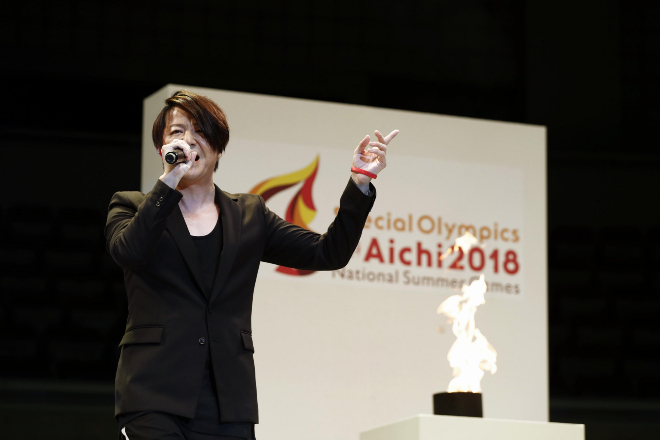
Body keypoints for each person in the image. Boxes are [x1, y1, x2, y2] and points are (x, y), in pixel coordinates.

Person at [105, 90, 398, 440]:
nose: (188, 140)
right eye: (177, 131)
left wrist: (360, 183)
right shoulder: (132, 206)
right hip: (153, 395)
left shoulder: (249, 215)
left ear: (218, 147)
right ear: (161, 148)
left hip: (229, 402)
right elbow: (129, 252)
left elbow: (328, 253)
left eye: (200, 131)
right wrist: (168, 181)